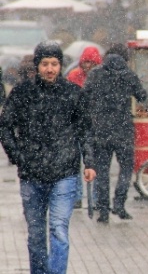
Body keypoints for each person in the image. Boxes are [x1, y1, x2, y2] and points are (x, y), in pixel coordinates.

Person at [0, 40, 96, 274]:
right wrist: (18, 156)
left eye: (54, 63)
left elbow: (85, 129)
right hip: (32, 175)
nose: (50, 69)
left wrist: (89, 162)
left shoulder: (73, 93)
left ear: (60, 65)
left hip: (65, 174)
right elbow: (5, 126)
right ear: (37, 65)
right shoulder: (23, 93)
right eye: (45, 63)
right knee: (35, 235)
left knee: (59, 229)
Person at [81, 43, 147, 223]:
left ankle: (103, 211)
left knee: (102, 171)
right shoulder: (129, 74)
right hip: (123, 129)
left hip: (100, 129)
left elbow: (83, 97)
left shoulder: (95, 74)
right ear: (125, 57)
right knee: (126, 169)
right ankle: (119, 204)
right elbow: (142, 95)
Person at [66, 47, 103, 209]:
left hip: (96, 126)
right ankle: (77, 197)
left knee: (94, 164)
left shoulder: (101, 77)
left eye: (91, 62)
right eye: (86, 61)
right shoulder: (74, 76)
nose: (88, 65)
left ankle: (95, 198)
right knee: (76, 163)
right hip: (78, 125)